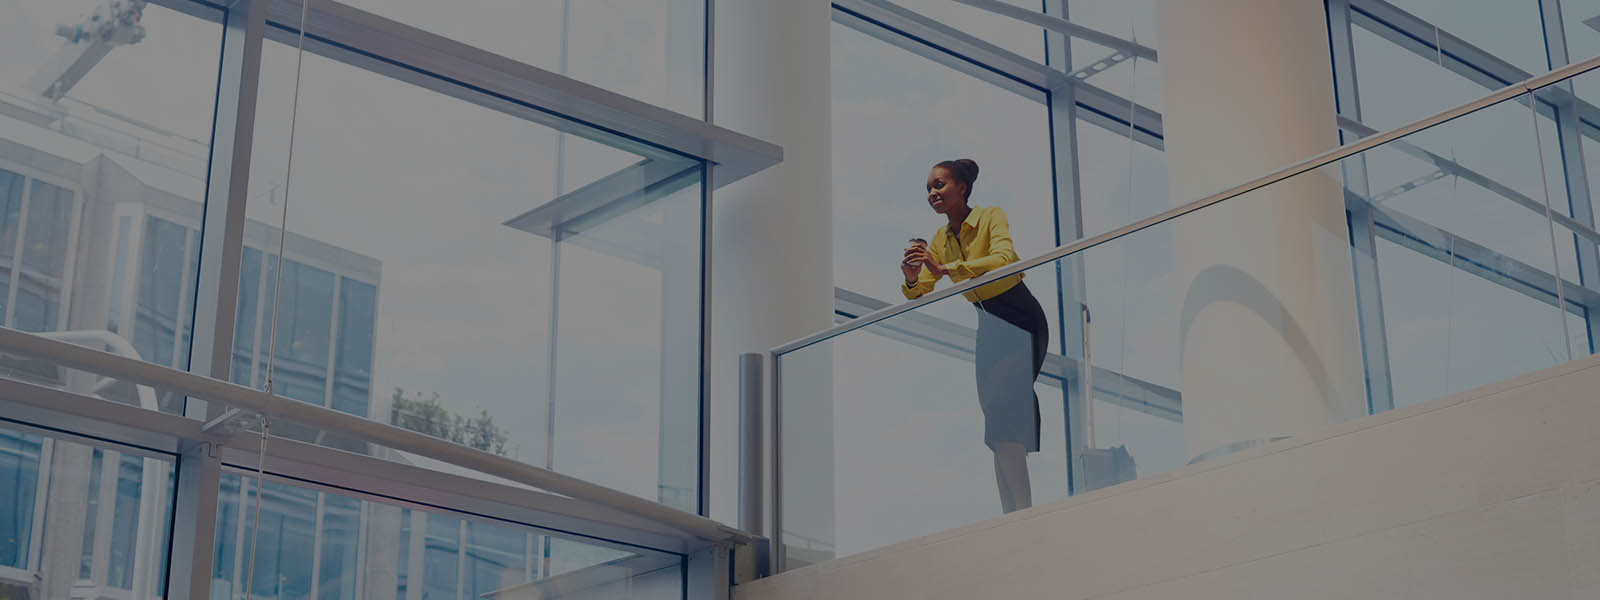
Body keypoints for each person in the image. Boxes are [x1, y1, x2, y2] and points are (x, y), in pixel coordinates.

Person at [900, 158, 1049, 514]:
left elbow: (1004, 257)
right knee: (996, 427)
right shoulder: (940, 238)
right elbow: (920, 289)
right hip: (989, 325)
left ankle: (1025, 511)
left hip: (1019, 316)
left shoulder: (989, 216)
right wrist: (910, 276)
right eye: (929, 189)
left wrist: (948, 268)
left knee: (1004, 416)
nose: (933, 193)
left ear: (962, 187)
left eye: (939, 185)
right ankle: (1012, 513)